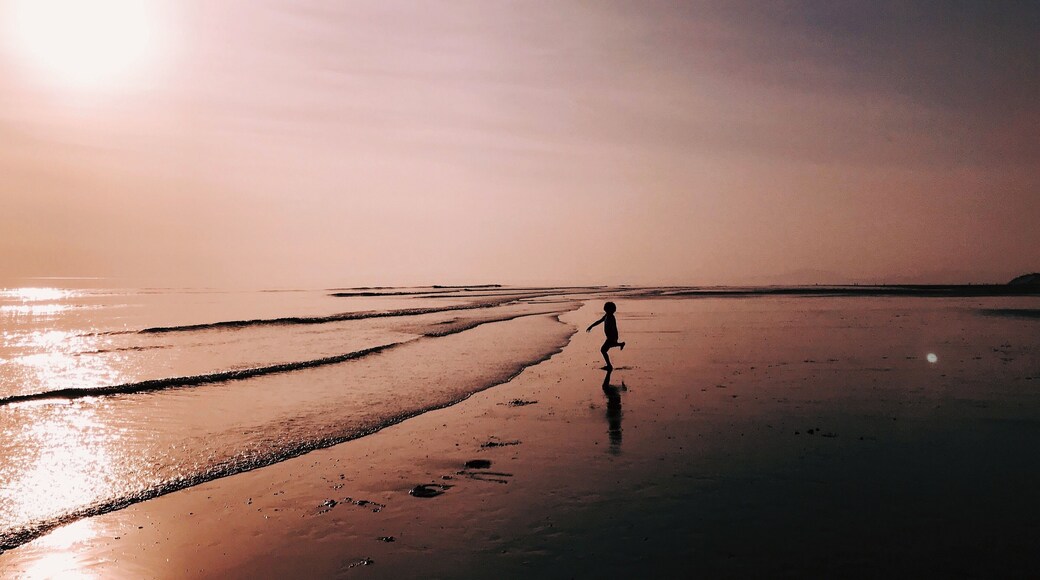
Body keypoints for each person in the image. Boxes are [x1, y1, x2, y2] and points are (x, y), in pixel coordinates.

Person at [586, 301, 625, 369]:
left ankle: (609, 365)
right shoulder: (606, 316)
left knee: (603, 350)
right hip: (610, 337)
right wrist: (591, 326)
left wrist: (612, 337)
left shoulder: (611, 317)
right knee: (608, 347)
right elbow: (599, 321)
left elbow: (613, 328)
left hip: (612, 336)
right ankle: (620, 344)